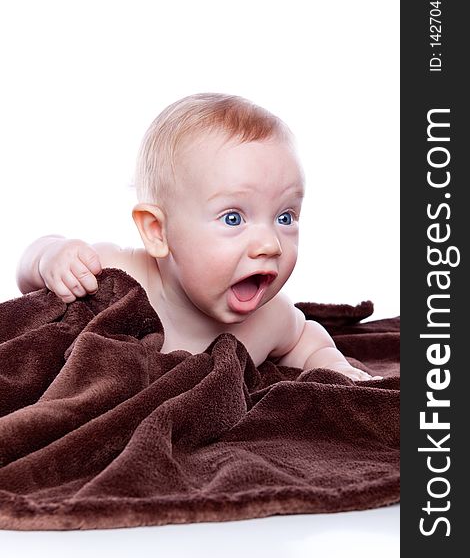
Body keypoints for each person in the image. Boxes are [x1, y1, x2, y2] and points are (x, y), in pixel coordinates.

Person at [16, 93, 380, 381]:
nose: (270, 244)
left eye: (285, 217)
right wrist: (51, 257)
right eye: (234, 217)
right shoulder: (116, 275)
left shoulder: (272, 317)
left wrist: (335, 365)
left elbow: (307, 340)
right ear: (158, 232)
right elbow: (28, 279)